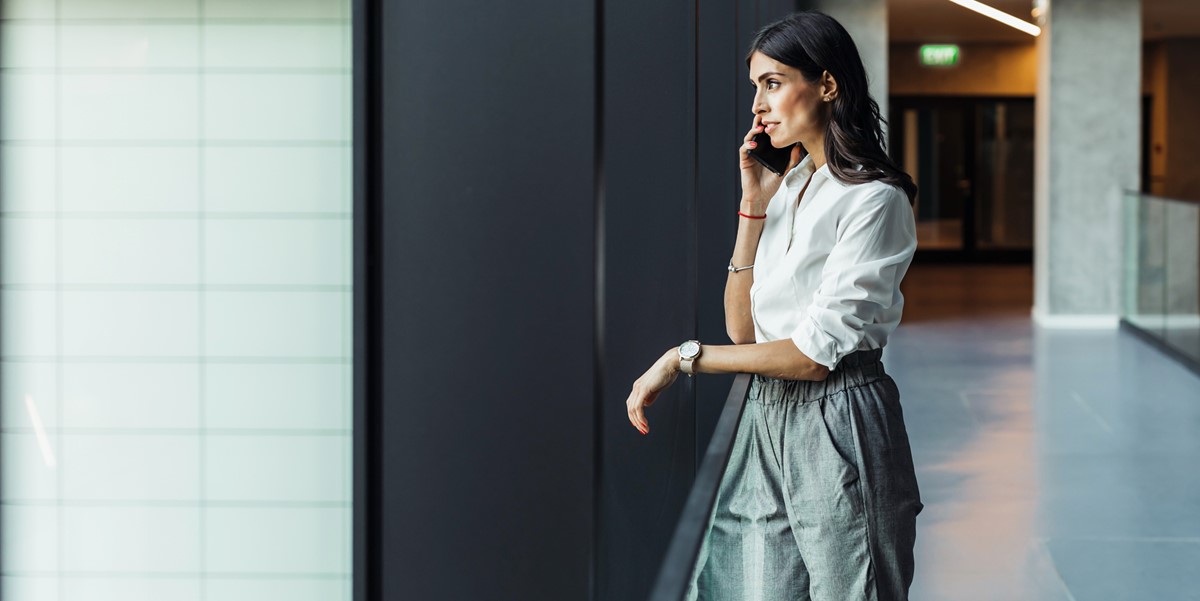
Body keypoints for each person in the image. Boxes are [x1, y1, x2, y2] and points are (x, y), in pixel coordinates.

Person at [623, 10, 924, 601]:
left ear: (827, 84)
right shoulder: (790, 186)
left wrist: (683, 358)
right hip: (765, 415)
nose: (758, 107)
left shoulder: (874, 199)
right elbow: (744, 330)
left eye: (773, 83)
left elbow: (812, 357)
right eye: (755, 87)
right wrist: (754, 207)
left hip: (838, 417)